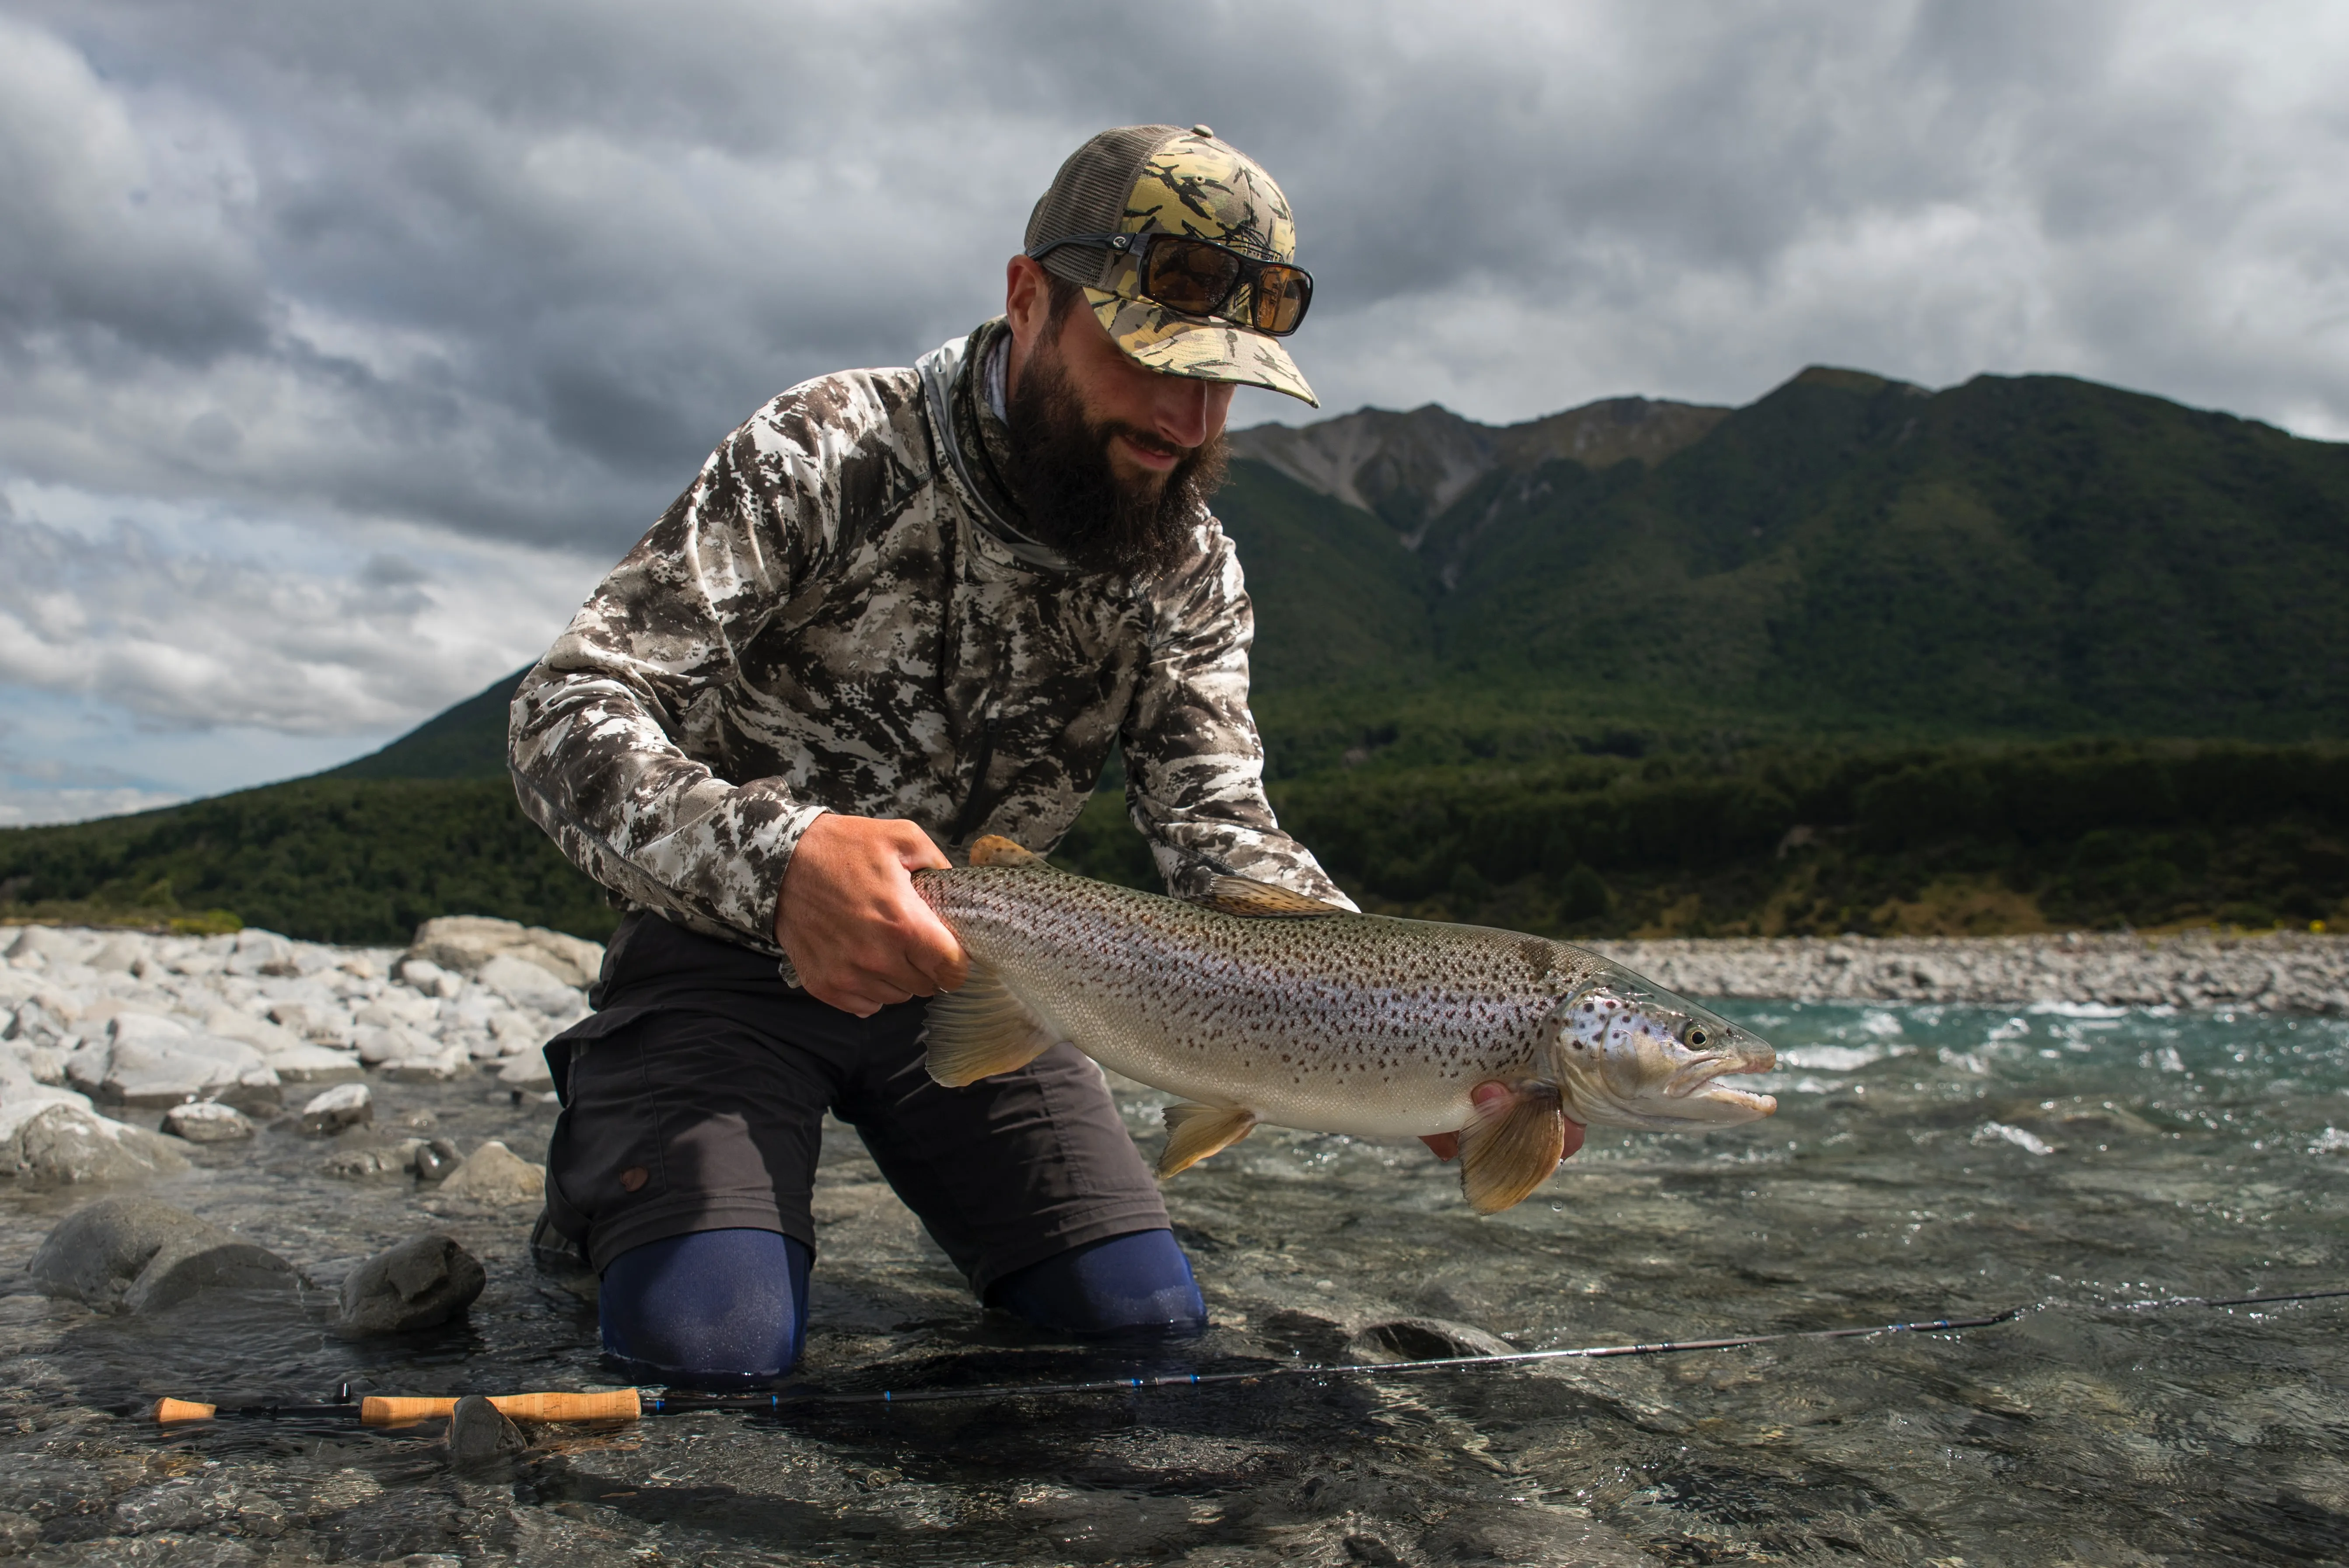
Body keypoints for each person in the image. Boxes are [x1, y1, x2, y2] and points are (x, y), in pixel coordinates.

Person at [511, 124, 1582, 1387]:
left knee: (1138, 1335)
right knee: (715, 1355)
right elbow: (564, 713)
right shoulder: (829, 450)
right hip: (726, 955)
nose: (1186, 421)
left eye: (1223, 381)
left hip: (1009, 980)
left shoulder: (1187, 564)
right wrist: (783, 860)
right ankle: (615, 1177)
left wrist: (1420, 1054)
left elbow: (1221, 837)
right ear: (1029, 300)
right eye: (1148, 356)